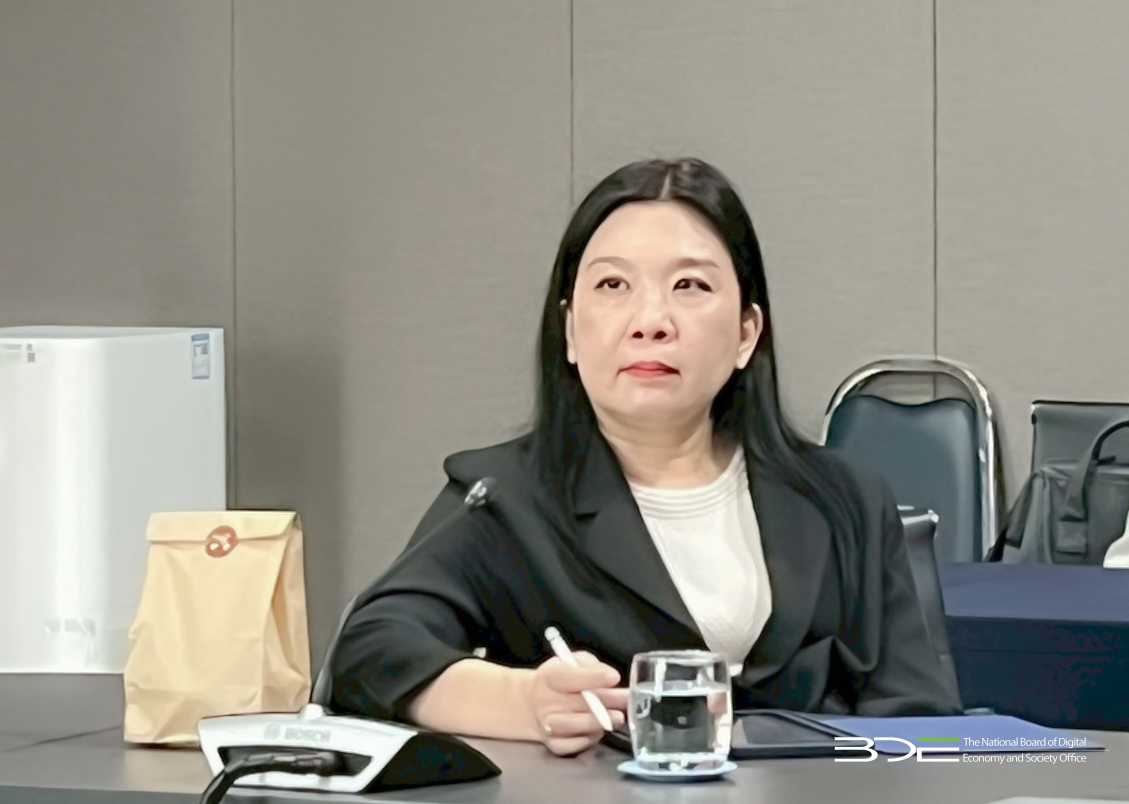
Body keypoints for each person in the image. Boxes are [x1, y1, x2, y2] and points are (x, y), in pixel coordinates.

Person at [330, 158, 962, 757]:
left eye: (690, 285)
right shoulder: (505, 499)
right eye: (613, 285)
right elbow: (371, 651)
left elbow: (924, 724)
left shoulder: (844, 497)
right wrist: (521, 702)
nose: (651, 320)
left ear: (747, 333)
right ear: (570, 330)